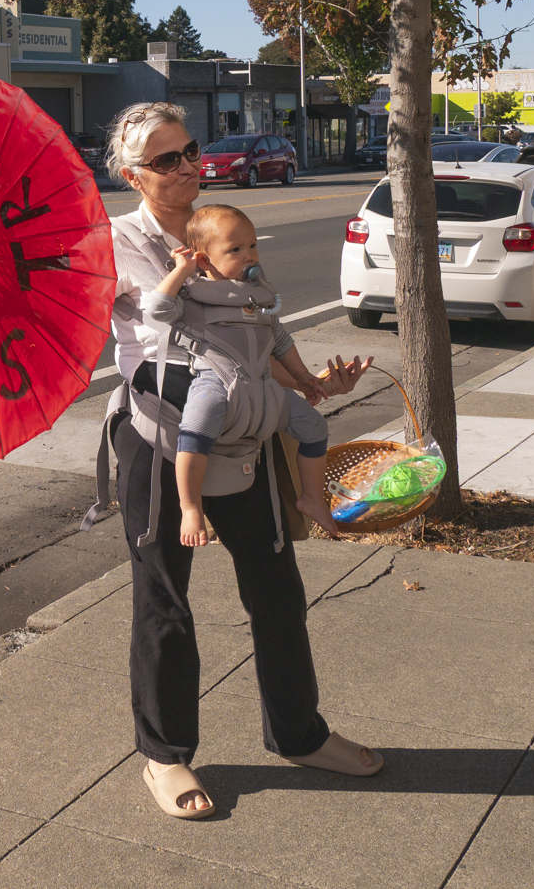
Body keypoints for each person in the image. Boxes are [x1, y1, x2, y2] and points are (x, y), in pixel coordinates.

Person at [101, 101, 381, 823]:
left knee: (278, 589)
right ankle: (165, 756)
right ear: (133, 174)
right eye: (167, 159)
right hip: (161, 433)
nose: (189, 165)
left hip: (245, 428)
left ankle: (300, 733)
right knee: (165, 602)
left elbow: (259, 324)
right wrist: (189, 275)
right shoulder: (119, 240)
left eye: (191, 149)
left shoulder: (220, 223)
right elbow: (166, 322)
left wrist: (313, 385)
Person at [142, 203, 341, 547]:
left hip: (263, 389)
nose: (249, 255)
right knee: (194, 432)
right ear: (204, 260)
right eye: (235, 249)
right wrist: (180, 270)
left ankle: (312, 497)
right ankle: (190, 506)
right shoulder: (194, 297)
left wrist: (303, 376)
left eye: (252, 245)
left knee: (314, 427)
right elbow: (157, 309)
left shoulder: (257, 298)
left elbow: (279, 340)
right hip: (217, 384)